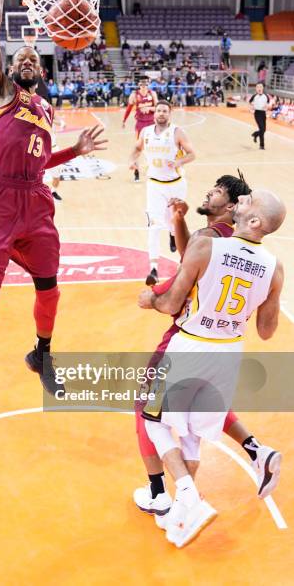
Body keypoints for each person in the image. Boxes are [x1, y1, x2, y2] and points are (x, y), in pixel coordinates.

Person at [0, 0, 107, 398]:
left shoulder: (44, 108)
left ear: (42, 70)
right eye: (19, 58)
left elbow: (39, 163)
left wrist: (74, 151)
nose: (26, 61)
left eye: (33, 59)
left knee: (50, 291)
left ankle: (42, 353)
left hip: (36, 203)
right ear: (8, 66)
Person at [138, 189, 285, 547]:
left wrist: (151, 299)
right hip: (228, 352)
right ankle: (181, 516)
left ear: (253, 222)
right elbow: (267, 331)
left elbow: (172, 302)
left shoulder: (205, 248)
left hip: (190, 344)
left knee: (149, 414)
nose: (243, 198)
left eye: (249, 201)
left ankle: (186, 494)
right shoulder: (274, 267)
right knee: (190, 429)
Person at [129, 100, 195, 285]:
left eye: (165, 111)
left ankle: (174, 235)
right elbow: (136, 148)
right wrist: (132, 160)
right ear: (154, 113)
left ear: (170, 113)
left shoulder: (177, 132)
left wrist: (180, 162)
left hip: (176, 185)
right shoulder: (146, 132)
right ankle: (153, 268)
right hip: (155, 185)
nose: (161, 113)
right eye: (158, 110)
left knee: (175, 222)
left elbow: (192, 154)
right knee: (154, 224)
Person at [123, 76, 158, 182]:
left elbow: (158, 107)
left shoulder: (153, 94)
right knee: (138, 149)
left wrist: (149, 108)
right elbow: (129, 108)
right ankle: (136, 173)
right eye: (141, 84)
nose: (143, 86)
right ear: (139, 85)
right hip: (140, 124)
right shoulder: (134, 95)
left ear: (148, 84)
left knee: (154, 148)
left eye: (145, 84)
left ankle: (156, 171)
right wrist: (124, 120)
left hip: (152, 124)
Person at [249, 82, 271, 150]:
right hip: (257, 113)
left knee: (264, 130)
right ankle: (262, 145)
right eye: (258, 87)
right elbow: (249, 102)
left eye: (260, 87)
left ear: (263, 88)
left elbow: (267, 104)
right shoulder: (254, 96)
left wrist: (267, 111)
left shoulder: (266, 96)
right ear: (256, 88)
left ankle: (255, 134)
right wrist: (251, 108)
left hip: (263, 114)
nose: (259, 88)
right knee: (261, 129)